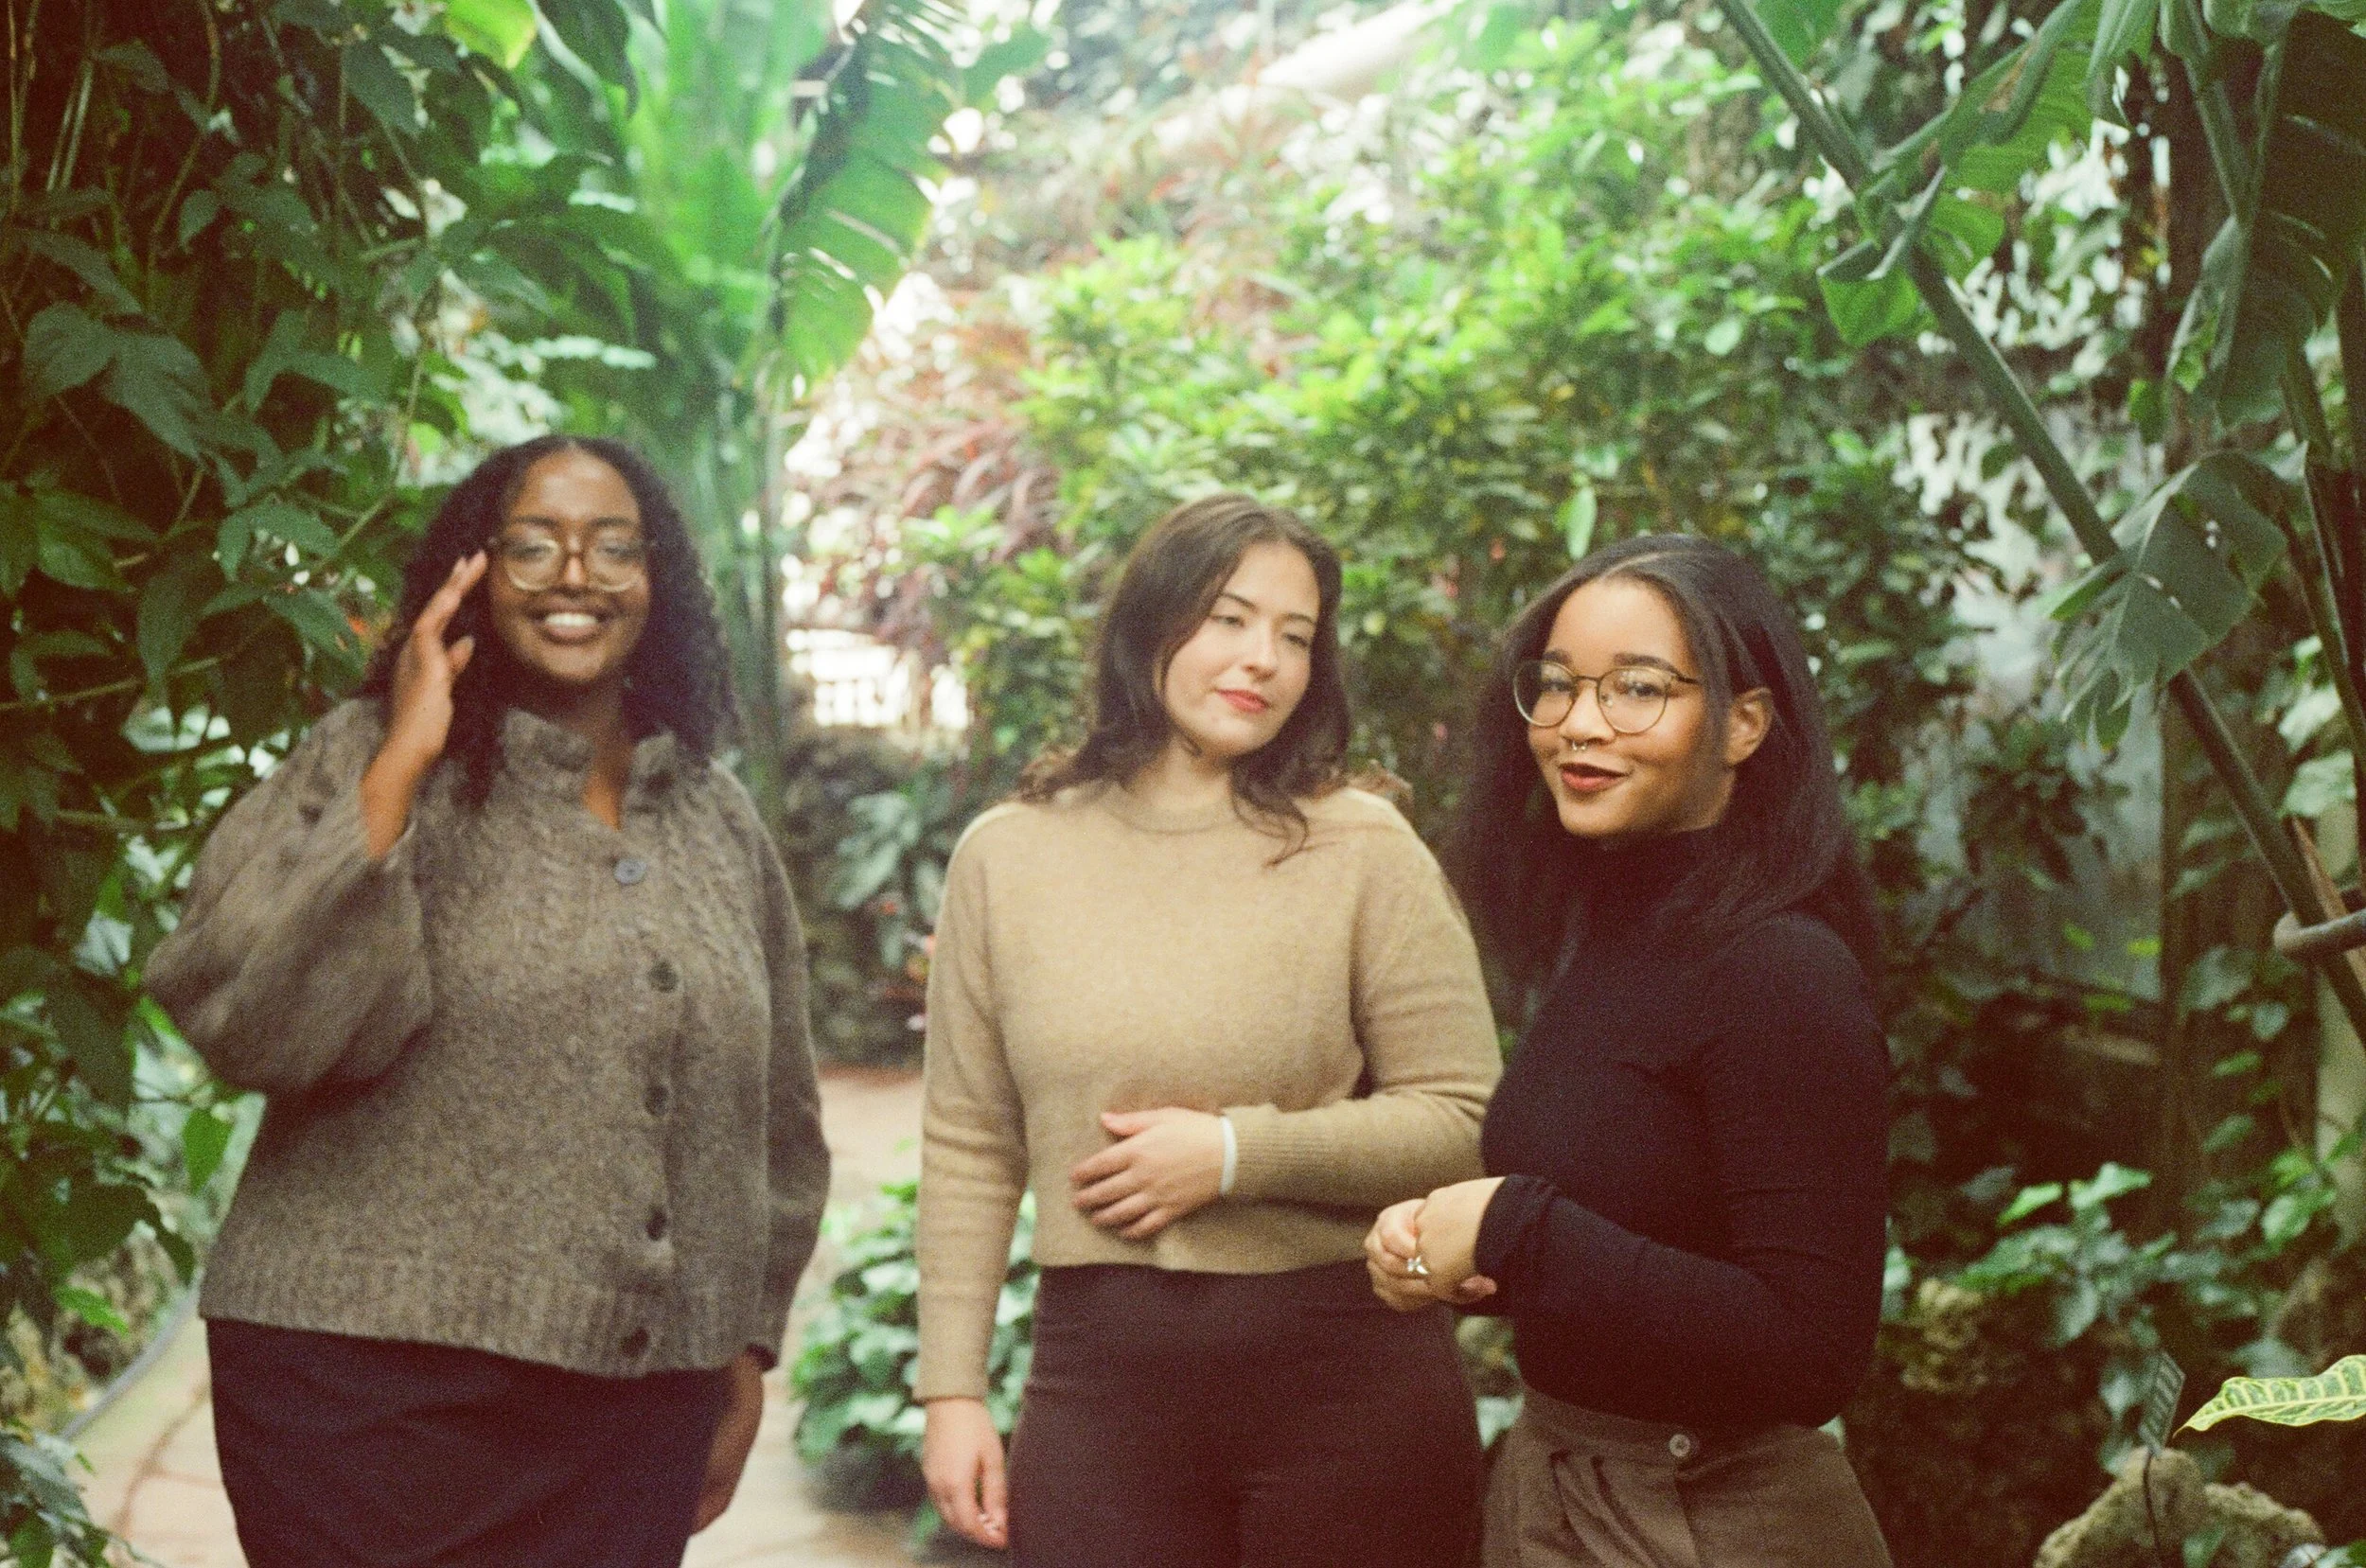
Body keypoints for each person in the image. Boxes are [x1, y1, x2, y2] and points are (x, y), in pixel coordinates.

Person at [146, 434, 830, 1568]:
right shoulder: (368, 757)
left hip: (633, 1411)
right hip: (366, 1397)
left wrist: (742, 1342)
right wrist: (402, 762)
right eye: (534, 545)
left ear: (656, 582)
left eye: (614, 546)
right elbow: (251, 1021)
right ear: (473, 573)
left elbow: (776, 1115)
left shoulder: (714, 818)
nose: (577, 575)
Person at [915, 493, 1503, 1567]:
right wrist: (950, 1390)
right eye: (1228, 617)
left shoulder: (1362, 847)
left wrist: (1235, 1154)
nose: (1262, 659)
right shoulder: (1008, 857)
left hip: (1352, 1390)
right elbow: (969, 1140)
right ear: (1149, 625)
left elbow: (1467, 1120)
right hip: (1100, 1397)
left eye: (1295, 634)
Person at [1366, 533, 1893, 1567]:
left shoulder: (1781, 969)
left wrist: (1520, 1232)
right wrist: (1468, 1257)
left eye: (1638, 688)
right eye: (1558, 685)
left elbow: (1812, 1352)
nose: (1580, 722)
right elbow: (1644, 1224)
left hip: (1710, 1521)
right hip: (1563, 1486)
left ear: (1744, 723)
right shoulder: (1610, 928)